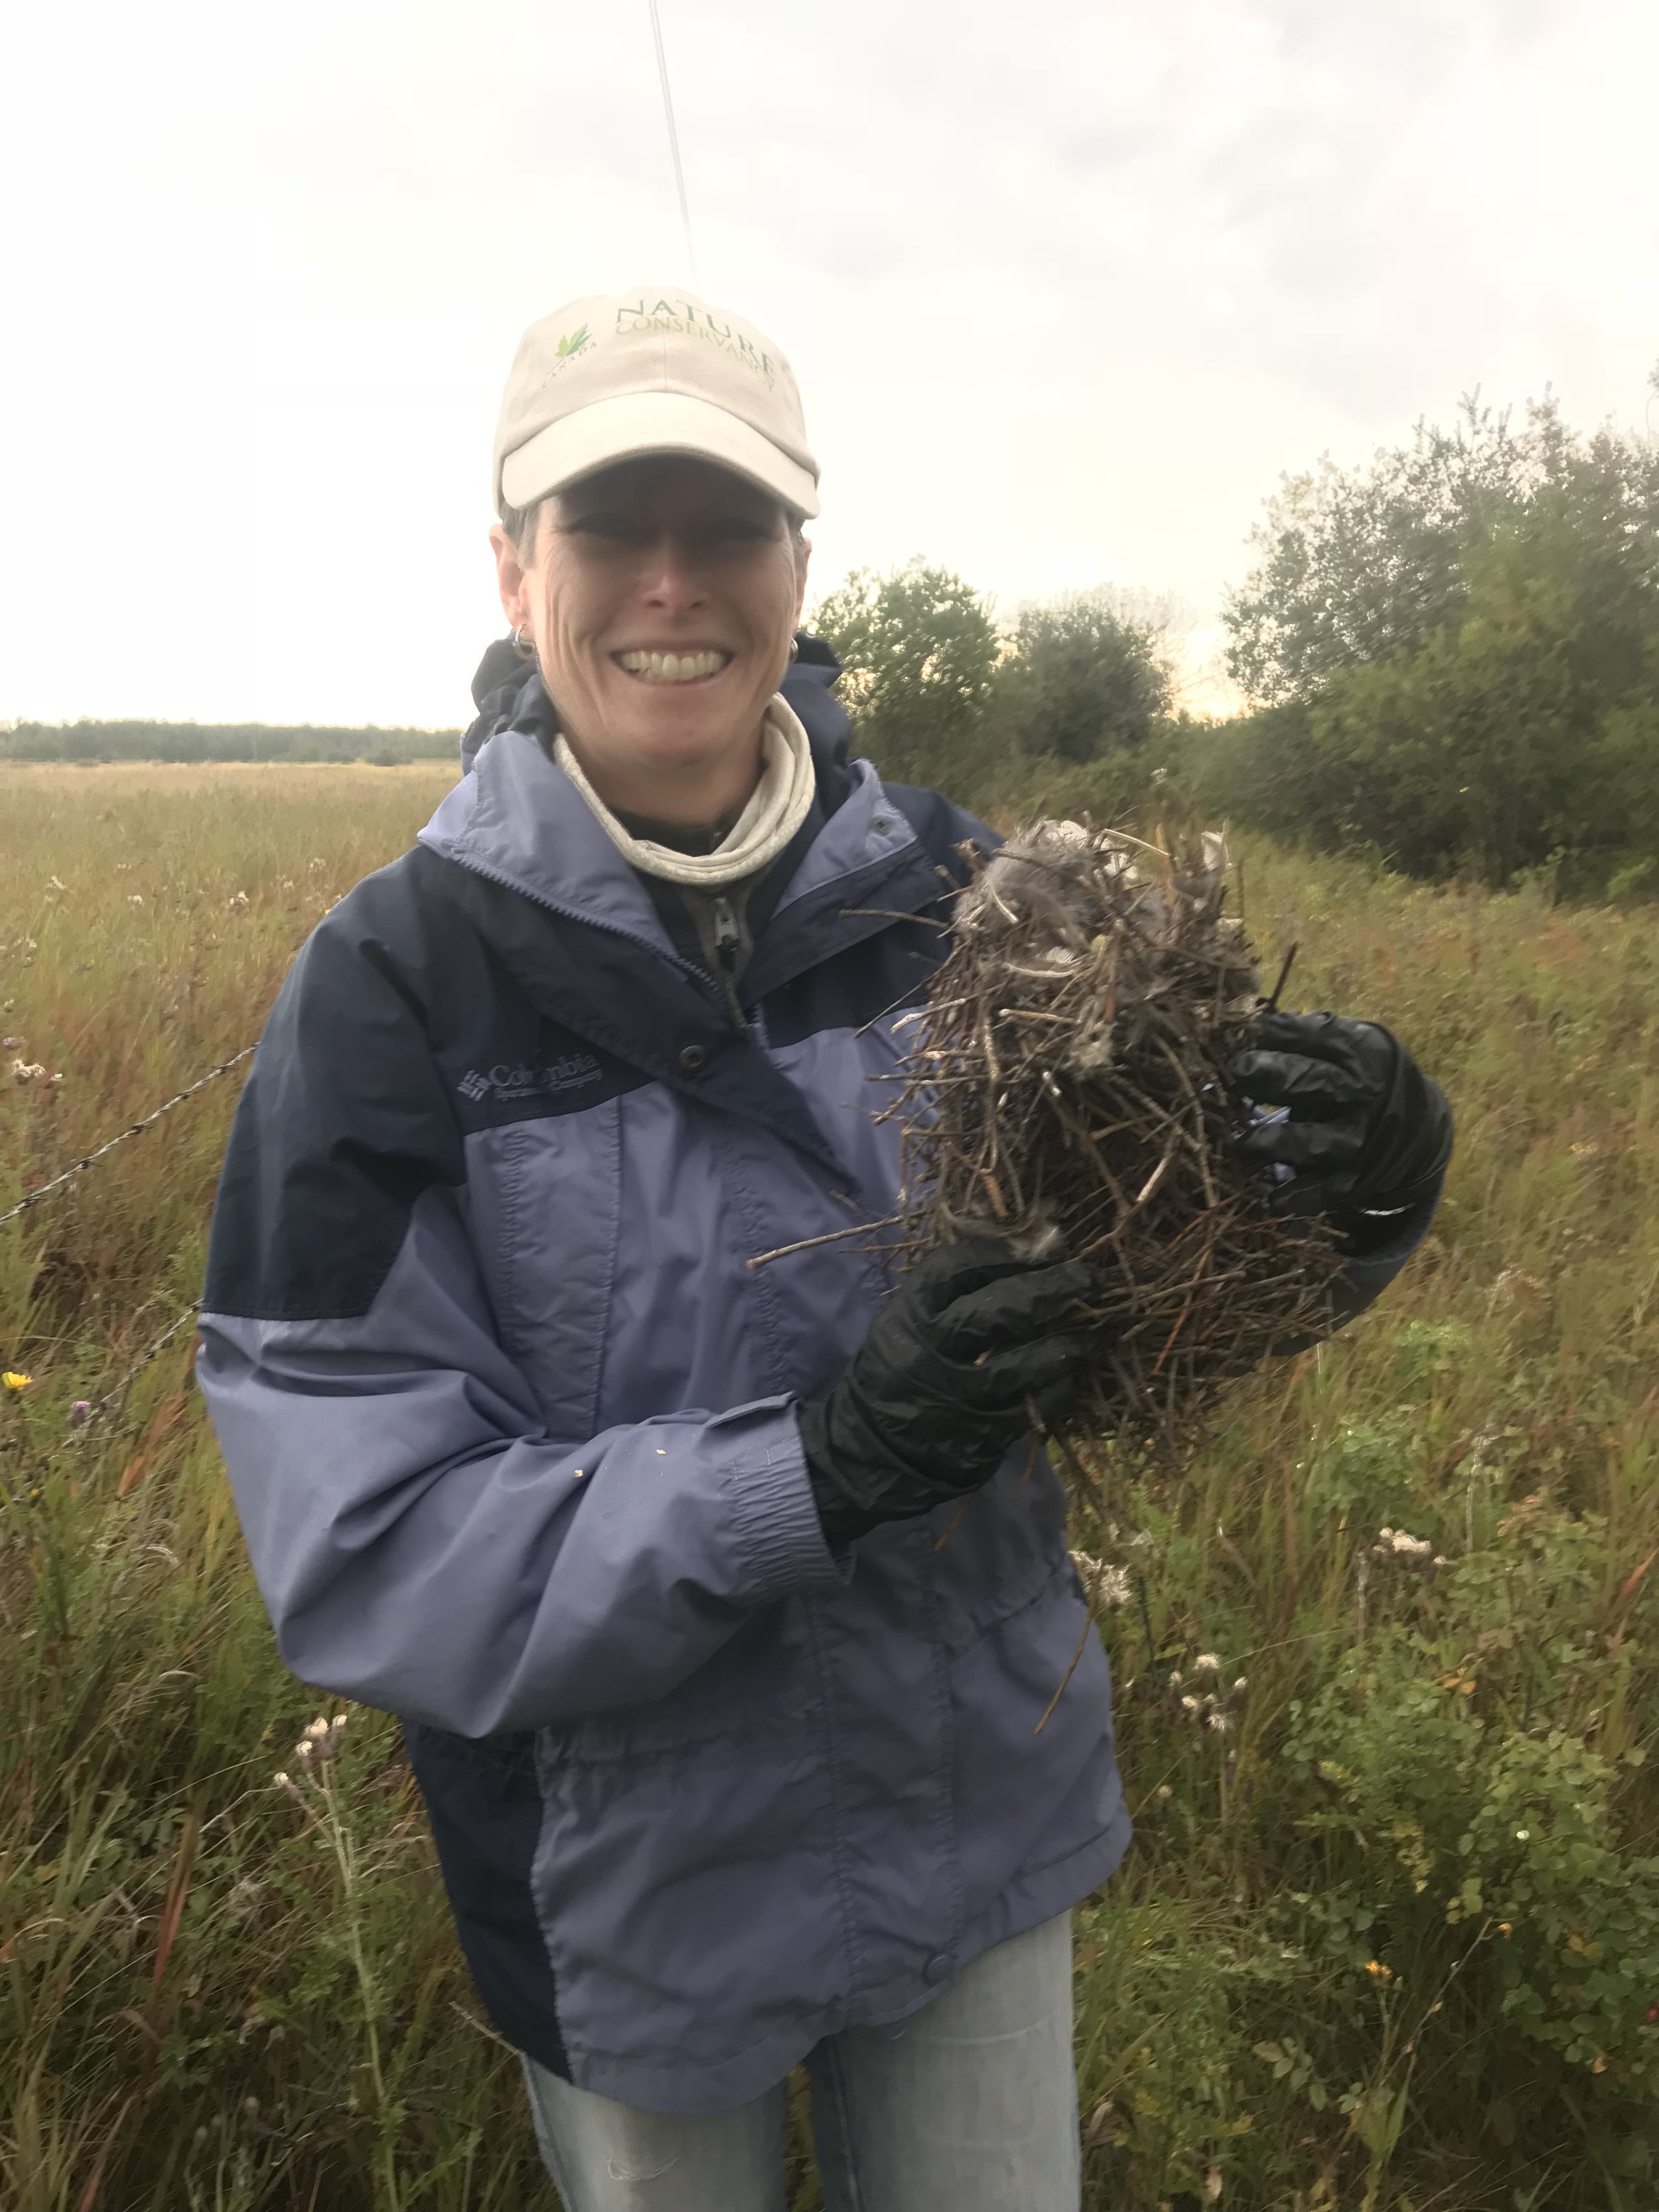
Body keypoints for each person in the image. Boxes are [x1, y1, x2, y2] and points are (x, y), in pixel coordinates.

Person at [197, 288, 1452, 2212]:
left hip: (970, 1824)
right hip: (622, 1886)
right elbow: (367, 1549)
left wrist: (1332, 1195)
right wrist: (812, 1473)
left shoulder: (989, 903)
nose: (673, 587)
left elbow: (1145, 1317)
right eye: (613, 527)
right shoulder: (392, 992)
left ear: (801, 561)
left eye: (733, 528)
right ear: (513, 569)